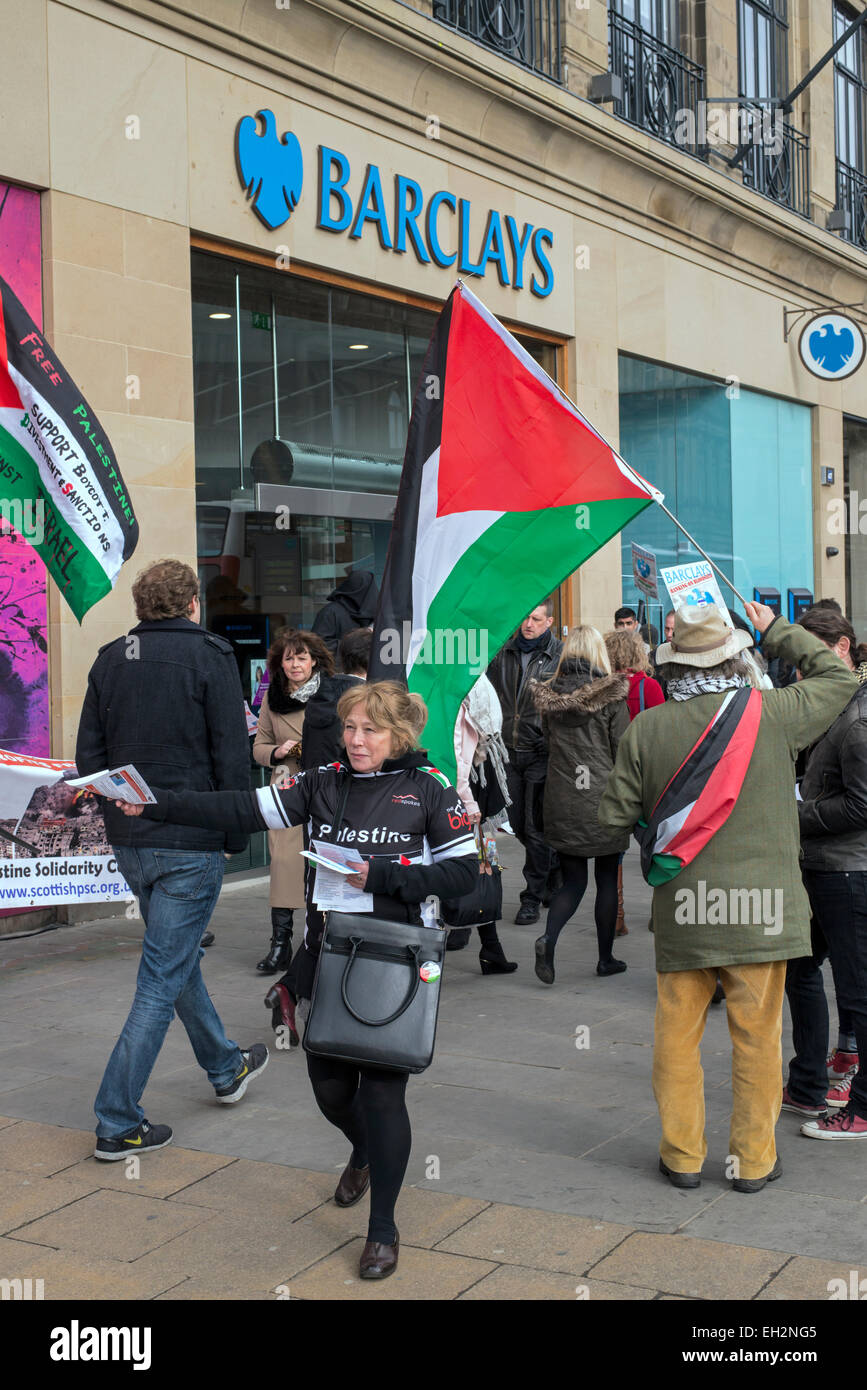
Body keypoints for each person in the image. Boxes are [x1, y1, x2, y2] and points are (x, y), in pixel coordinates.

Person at [114, 680, 476, 1279]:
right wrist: (154, 804)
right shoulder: (323, 781)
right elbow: (238, 809)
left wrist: (382, 877)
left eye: (370, 730)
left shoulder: (430, 789)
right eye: (349, 728)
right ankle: (361, 1149)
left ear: (399, 734)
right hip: (327, 952)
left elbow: (468, 875)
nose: (355, 740)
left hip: (397, 958)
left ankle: (382, 1229)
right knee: (331, 1090)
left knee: (384, 1094)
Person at [597, 601, 857, 1192]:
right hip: (762, 912)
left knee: (676, 1040)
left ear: (672, 666)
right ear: (735, 657)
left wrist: (664, 830)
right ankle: (754, 1161)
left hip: (687, 911)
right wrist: (774, 629)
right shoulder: (775, 713)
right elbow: (840, 677)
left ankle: (683, 1156)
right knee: (759, 1042)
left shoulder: (646, 729)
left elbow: (613, 818)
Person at [76, 559, 267, 1160]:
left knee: (173, 958)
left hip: (132, 840)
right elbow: (231, 756)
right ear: (191, 606)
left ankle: (224, 1065)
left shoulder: (110, 657)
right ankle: (116, 1120)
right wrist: (236, 833)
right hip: (189, 840)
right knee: (160, 978)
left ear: (140, 607)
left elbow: (90, 759)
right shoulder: (211, 656)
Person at [782, 605, 867, 1140]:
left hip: (847, 872)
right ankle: (809, 1081)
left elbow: (862, 805)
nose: (798, 672)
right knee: (800, 966)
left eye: (806, 659)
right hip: (825, 866)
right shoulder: (840, 706)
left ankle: (860, 1107)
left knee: (858, 993)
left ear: (839, 650)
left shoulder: (857, 719)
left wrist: (798, 815)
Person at [530, 626, 630, 984]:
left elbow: (547, 740)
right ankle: (605, 959)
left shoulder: (548, 698)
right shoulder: (612, 697)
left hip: (562, 797)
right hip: (602, 801)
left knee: (572, 883)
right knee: (606, 880)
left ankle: (548, 938)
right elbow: (623, 751)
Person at [253, 629, 334, 979]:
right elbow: (258, 746)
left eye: (302, 657)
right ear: (279, 664)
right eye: (289, 658)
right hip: (288, 785)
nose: (295, 664)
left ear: (314, 660)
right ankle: (280, 943)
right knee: (284, 864)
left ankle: (328, 940)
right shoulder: (272, 698)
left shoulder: (333, 693)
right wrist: (277, 752)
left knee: (329, 862)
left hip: (328, 785)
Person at [487, 599, 562, 925]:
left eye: (535, 618)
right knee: (516, 823)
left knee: (534, 828)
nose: (528, 624)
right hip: (507, 750)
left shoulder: (560, 656)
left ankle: (530, 897)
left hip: (540, 751)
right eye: (525, 618)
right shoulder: (504, 652)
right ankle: (553, 866)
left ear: (549, 621)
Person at [451, 672, 516, 973]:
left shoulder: (461, 689)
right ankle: (489, 946)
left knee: (481, 864)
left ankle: (489, 945)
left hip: (468, 791)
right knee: (479, 864)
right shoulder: (463, 692)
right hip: (464, 795)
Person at [604, 627, 665, 936]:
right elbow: (659, 736)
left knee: (614, 851)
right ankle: (658, 912)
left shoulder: (600, 689)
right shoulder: (650, 687)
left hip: (610, 776)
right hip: (646, 776)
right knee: (656, 845)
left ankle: (617, 916)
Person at [311, 570, 379, 655]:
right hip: (339, 666)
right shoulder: (331, 612)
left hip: (363, 666)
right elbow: (316, 645)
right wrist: (354, 644)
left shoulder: (375, 615)